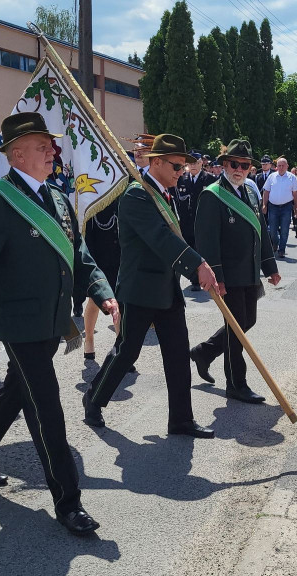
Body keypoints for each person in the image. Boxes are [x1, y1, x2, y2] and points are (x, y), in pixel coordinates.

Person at [0, 112, 118, 536]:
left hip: (52, 319)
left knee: (19, 389)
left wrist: (102, 291)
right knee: (46, 406)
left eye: (51, 146)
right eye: (43, 146)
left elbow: (80, 254)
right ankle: (68, 501)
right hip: (17, 321)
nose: (53, 151)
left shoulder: (56, 196)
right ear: (17, 154)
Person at [82, 134, 219, 438]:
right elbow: (160, 238)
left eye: (184, 166)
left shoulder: (161, 192)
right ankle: (94, 399)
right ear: (156, 162)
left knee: (177, 353)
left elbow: (171, 239)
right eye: (176, 166)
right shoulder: (136, 195)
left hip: (166, 288)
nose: (181, 172)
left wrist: (197, 264)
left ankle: (181, 419)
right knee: (126, 352)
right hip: (139, 289)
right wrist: (197, 264)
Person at [190, 139, 280, 403]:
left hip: (249, 272)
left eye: (244, 165)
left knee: (245, 322)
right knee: (236, 329)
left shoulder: (251, 193)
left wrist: (270, 267)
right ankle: (236, 384)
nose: (239, 169)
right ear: (224, 165)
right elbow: (207, 241)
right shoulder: (212, 195)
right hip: (228, 276)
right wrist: (217, 278)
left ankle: (204, 352)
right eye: (234, 164)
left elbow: (261, 232)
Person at [83, 194, 122, 360]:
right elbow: (88, 239)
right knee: (94, 301)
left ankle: (121, 348)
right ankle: (89, 339)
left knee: (120, 303)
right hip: (100, 261)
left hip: (121, 259)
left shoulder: (123, 198)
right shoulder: (93, 202)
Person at [175, 152, 213, 291]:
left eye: (195, 162)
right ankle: (193, 277)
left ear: (201, 163)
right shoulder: (182, 179)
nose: (193, 166)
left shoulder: (209, 179)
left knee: (199, 249)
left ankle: (197, 279)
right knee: (188, 249)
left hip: (202, 222)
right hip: (186, 223)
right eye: (190, 163)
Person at [262, 157, 297, 258]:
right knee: (272, 230)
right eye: (279, 166)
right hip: (273, 206)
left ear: (287, 166)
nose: (281, 167)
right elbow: (266, 192)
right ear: (276, 167)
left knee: (284, 230)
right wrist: (264, 205)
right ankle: (275, 242)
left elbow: (296, 194)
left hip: (286, 206)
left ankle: (281, 249)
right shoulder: (272, 177)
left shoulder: (292, 178)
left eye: (283, 166)